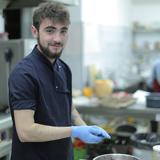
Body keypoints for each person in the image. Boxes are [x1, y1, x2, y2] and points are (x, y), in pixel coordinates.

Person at [8, 1, 110, 160]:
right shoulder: (24, 73)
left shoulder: (63, 68)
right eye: (50, 30)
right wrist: (74, 131)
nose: (57, 38)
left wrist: (84, 127)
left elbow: (68, 107)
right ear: (35, 31)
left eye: (63, 31)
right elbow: (26, 131)